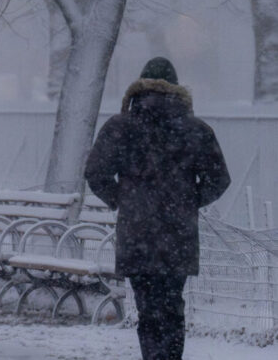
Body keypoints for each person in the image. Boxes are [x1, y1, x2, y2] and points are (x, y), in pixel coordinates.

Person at [84, 57, 230, 360]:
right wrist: (189, 201)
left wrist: (122, 199)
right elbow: (219, 179)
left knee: (148, 309)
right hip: (178, 235)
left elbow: (96, 173)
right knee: (173, 306)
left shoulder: (120, 126)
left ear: (139, 88)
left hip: (137, 233)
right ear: (176, 90)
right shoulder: (195, 130)